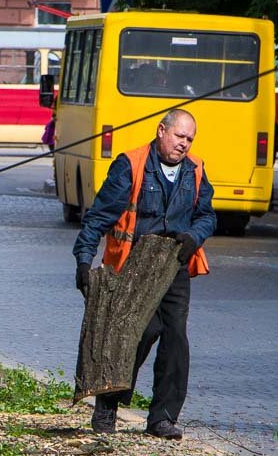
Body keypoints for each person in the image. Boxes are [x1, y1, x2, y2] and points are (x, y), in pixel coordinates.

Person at [73, 109, 216, 438]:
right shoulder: (131, 165)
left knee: (176, 339)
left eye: (189, 139)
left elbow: (207, 216)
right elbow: (98, 217)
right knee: (136, 334)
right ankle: (108, 406)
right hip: (133, 264)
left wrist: (193, 238)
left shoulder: (195, 170)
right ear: (161, 131)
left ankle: (163, 418)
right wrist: (83, 261)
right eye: (180, 136)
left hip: (174, 262)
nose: (184, 144)